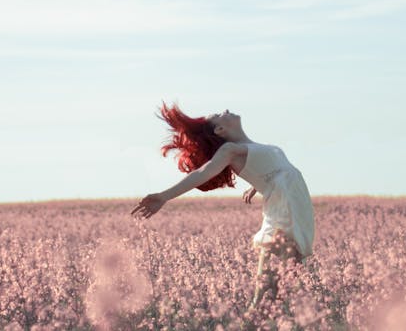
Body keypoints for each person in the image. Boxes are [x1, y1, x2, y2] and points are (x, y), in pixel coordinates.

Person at [130, 101, 316, 309]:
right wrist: (165, 196)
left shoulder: (254, 148)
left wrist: (257, 185)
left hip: (297, 212)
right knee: (267, 298)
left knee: (282, 295)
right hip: (285, 214)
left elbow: (276, 171)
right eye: (219, 114)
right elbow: (204, 172)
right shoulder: (230, 150)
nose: (225, 110)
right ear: (220, 129)